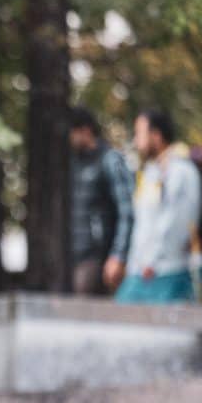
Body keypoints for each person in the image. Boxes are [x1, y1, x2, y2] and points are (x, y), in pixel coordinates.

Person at [115, 109, 202, 304]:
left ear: (156, 136)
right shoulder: (151, 171)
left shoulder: (181, 170)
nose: (137, 141)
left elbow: (176, 220)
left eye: (140, 133)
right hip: (140, 272)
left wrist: (152, 261)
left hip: (167, 272)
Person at [68, 106, 134, 294]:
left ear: (85, 130)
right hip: (78, 254)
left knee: (86, 312)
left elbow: (127, 210)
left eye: (72, 133)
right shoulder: (77, 163)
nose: (70, 139)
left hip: (99, 255)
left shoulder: (110, 160)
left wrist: (118, 255)